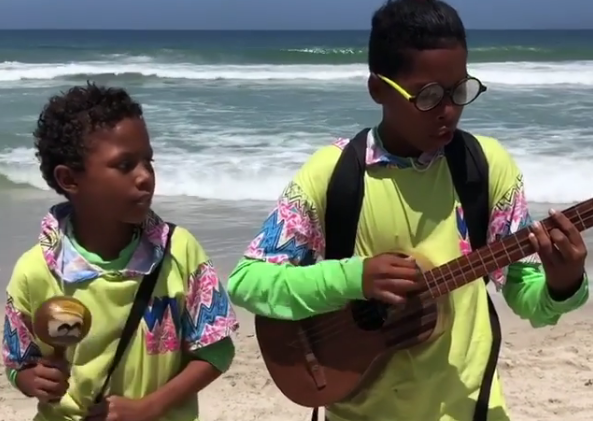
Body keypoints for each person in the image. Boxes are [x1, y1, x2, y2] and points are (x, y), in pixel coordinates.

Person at [226, 1, 589, 420]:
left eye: (459, 91)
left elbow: (527, 296)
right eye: (429, 96)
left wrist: (562, 286)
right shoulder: (335, 173)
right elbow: (247, 280)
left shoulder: (485, 168)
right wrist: (353, 278)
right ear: (378, 89)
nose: (448, 110)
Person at [2, 82, 239, 421]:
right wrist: (31, 379)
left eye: (148, 161)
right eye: (125, 165)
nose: (146, 176)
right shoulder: (35, 271)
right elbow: (17, 362)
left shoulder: (180, 252)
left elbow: (217, 350)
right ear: (70, 179)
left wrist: (151, 407)